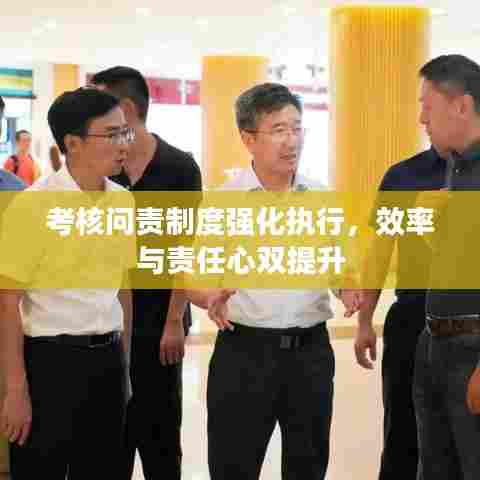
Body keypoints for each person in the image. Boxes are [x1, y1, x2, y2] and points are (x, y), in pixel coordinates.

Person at [186, 83, 363, 480]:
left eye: (297, 128)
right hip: (244, 354)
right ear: (248, 138)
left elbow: (339, 264)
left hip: (310, 355)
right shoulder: (223, 201)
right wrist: (209, 296)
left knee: (308, 465)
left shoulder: (321, 196)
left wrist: (347, 288)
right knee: (234, 465)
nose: (291, 140)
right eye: (279, 130)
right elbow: (192, 278)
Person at [0, 87, 136, 479]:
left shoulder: (123, 201)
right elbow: (7, 300)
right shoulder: (33, 205)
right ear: (73, 143)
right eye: (111, 134)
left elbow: (123, 287)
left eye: (125, 132)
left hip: (107, 362)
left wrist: (124, 366)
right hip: (49, 364)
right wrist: (15, 390)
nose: (123, 144)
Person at [91, 66, 202, 480]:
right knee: (112, 440)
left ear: (126, 109)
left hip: (160, 327)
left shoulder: (179, 167)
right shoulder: (102, 170)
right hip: (107, 325)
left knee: (160, 440)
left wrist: (174, 321)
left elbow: (184, 248)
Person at [355, 144, 448, 480]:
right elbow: (379, 251)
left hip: (469, 321)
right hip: (412, 318)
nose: (424, 119)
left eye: (430, 114)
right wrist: (365, 321)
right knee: (402, 431)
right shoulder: (402, 175)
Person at [412, 54, 480, 480]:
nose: (422, 118)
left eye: (427, 106)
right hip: (435, 343)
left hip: (473, 351)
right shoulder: (457, 165)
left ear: (461, 106)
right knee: (436, 467)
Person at [0, 97, 25, 192]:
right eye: (24, 140)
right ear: (17, 142)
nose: (27, 143)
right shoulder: (11, 161)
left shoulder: (17, 188)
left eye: (28, 140)